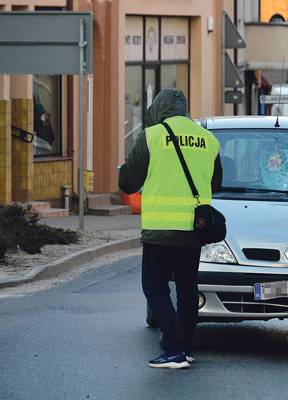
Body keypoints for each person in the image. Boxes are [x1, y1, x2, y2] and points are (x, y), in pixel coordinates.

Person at [118, 88, 223, 369]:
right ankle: (187, 349)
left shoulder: (152, 136)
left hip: (161, 229)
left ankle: (173, 350)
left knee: (155, 287)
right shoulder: (209, 139)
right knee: (187, 288)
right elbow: (216, 185)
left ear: (159, 108)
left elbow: (127, 182)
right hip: (194, 230)